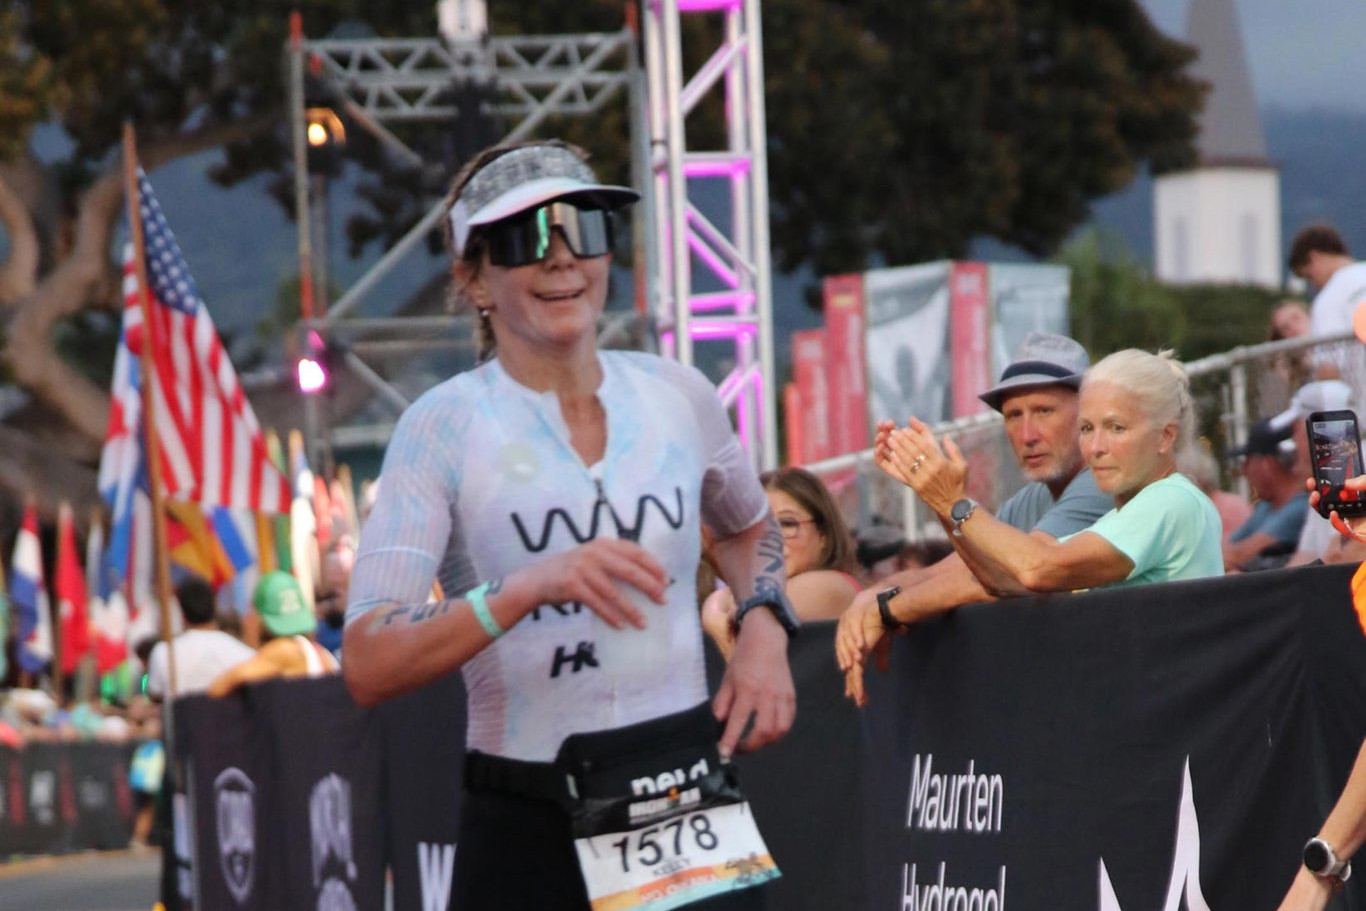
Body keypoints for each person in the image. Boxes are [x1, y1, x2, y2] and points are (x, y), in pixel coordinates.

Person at [341, 140, 795, 910]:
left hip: (680, 785)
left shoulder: (679, 396)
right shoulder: (442, 425)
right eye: (524, 238)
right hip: (526, 812)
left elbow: (751, 531)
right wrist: (518, 591)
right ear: (473, 277)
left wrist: (765, 628)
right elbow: (367, 656)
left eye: (584, 229)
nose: (561, 260)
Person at [839, 349, 1222, 702]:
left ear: (1165, 436)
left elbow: (1038, 568)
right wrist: (939, 500)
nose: (1097, 447)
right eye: (1087, 429)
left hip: (1170, 728)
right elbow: (1005, 579)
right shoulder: (1121, 514)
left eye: (1116, 428)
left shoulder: (1172, 499)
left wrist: (952, 504)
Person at [835, 332, 1112, 704]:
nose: (1027, 434)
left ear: (1088, 415)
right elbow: (953, 573)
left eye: (1044, 411)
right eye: (1014, 415)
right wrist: (868, 598)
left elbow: (1022, 573)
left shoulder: (1103, 483)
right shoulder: (1029, 499)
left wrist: (887, 609)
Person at [701, 467, 860, 657]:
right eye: (757, 528)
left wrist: (713, 609)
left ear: (823, 536)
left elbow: (758, 605)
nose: (772, 538)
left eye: (787, 523)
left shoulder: (836, 585)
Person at [206, 571, 338, 697]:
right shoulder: (322, 654)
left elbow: (218, 688)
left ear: (260, 618)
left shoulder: (282, 650)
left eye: (250, 610)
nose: (245, 618)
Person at [145, 575, 255, 700]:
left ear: (181, 610)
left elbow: (155, 695)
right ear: (215, 604)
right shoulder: (244, 654)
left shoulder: (164, 653)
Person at [1223, 419, 1310, 572]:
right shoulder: (1266, 507)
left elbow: (1237, 555)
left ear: (1267, 464)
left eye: (1248, 462)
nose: (1245, 471)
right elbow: (1227, 549)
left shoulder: (1301, 506)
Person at [1289, 226, 1366, 340]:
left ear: (1314, 257)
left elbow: (1328, 355)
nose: (1314, 285)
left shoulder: (1328, 300)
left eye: (1309, 277)